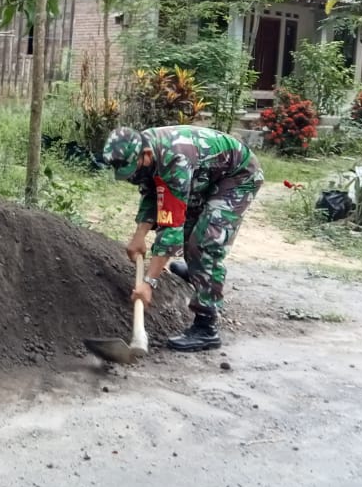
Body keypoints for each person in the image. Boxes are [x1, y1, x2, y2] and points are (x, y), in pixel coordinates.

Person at [102, 125, 264, 352]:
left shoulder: (174, 159)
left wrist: (149, 283)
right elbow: (153, 195)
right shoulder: (148, 152)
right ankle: (198, 273)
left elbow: (171, 229)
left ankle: (206, 327)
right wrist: (139, 236)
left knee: (205, 243)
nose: (133, 175)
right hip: (206, 176)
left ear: (146, 155)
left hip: (238, 176)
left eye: (133, 167)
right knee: (191, 232)